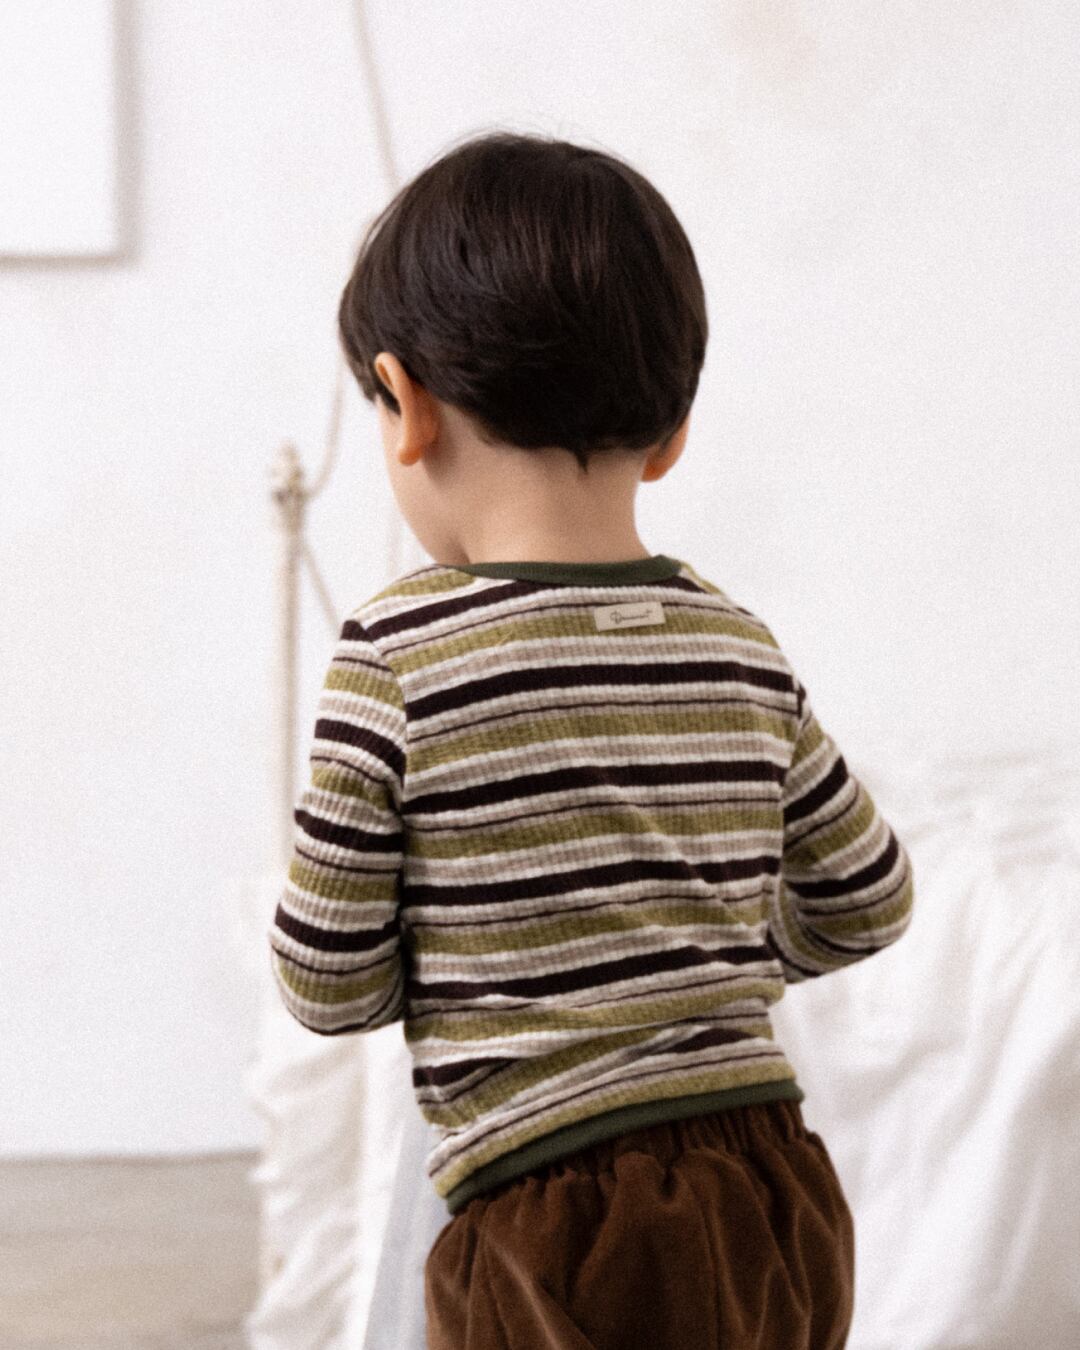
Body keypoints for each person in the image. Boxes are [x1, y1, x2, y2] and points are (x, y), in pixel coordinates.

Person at [267, 129, 916, 1349]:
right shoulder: (735, 641)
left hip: (549, 1217)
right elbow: (869, 900)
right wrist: (688, 963)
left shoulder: (396, 657)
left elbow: (325, 984)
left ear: (406, 407)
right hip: (774, 1188)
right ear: (671, 434)